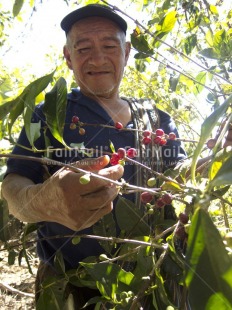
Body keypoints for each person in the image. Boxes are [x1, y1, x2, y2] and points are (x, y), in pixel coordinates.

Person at [4, 3, 231, 309]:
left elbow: (178, 175)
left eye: (109, 46)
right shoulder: (45, 116)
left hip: (155, 284)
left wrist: (218, 158)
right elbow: (14, 183)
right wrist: (43, 200)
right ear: (68, 57)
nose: (98, 58)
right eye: (83, 48)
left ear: (126, 51)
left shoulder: (157, 120)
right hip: (71, 291)